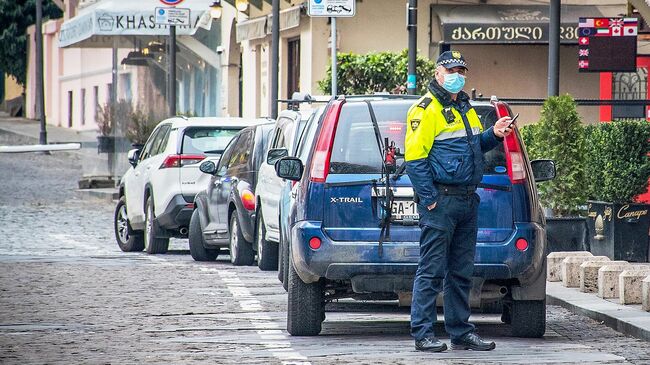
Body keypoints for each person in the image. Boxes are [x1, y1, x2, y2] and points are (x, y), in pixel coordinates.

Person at [404, 50, 514, 352]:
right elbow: (415, 160)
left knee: (461, 271)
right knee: (431, 270)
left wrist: (494, 134)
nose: (458, 76)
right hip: (441, 200)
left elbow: (474, 145)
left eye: (462, 70)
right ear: (438, 73)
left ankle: (461, 332)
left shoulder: (464, 107)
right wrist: (429, 201)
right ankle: (423, 334)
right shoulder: (425, 110)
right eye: (452, 70)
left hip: (467, 200)